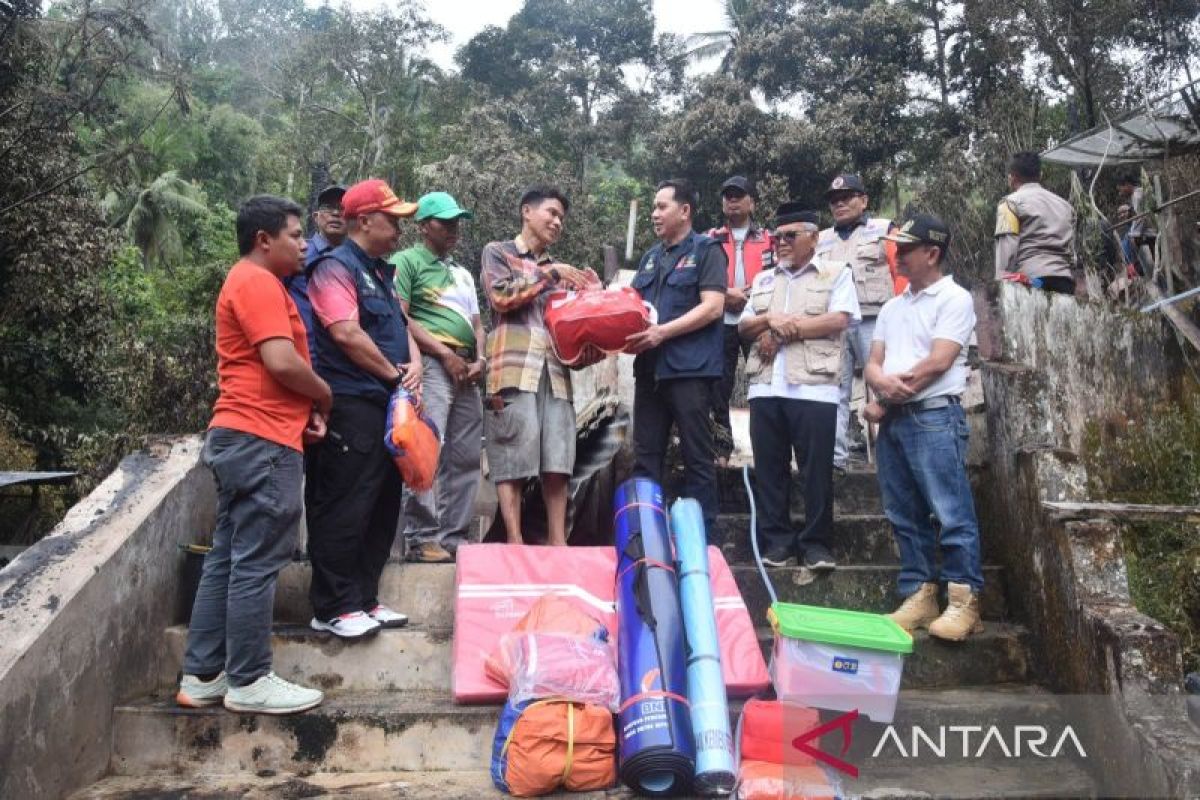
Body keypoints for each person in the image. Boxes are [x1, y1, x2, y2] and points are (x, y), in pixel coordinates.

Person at [177, 195, 332, 714]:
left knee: (227, 557)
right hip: (261, 439)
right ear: (264, 240)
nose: (304, 242)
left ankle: (203, 675)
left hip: (242, 434)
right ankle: (248, 680)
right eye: (294, 234)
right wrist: (323, 394)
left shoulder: (249, 281)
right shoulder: (259, 281)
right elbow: (281, 361)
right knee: (257, 562)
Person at [305, 178, 422, 639]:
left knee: (381, 502)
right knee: (344, 502)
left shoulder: (380, 272)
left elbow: (403, 324)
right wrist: (395, 375)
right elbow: (346, 333)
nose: (398, 228)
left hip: (389, 406)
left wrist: (413, 368)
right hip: (352, 402)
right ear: (364, 220)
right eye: (392, 219)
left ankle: (364, 596)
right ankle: (332, 605)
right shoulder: (334, 268)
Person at [863, 213, 983, 641]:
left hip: (933, 415)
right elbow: (873, 361)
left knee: (950, 511)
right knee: (903, 512)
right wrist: (879, 390)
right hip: (895, 419)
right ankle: (919, 593)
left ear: (932, 253)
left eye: (907, 249)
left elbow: (939, 361)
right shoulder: (894, 306)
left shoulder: (955, 298)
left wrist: (886, 395)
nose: (897, 256)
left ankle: (964, 600)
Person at [738, 203, 859, 570]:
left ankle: (817, 545)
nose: (781, 243)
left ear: (813, 237)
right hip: (765, 386)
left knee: (816, 471)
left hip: (814, 387)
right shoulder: (764, 279)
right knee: (770, 469)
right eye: (777, 237)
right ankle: (778, 543)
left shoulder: (836, 273)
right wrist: (768, 319)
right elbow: (744, 327)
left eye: (790, 236)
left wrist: (779, 329)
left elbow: (839, 319)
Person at [481, 186, 596, 546]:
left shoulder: (561, 274)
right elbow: (501, 297)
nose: (557, 222)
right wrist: (551, 275)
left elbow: (570, 333)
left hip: (556, 375)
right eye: (551, 213)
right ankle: (514, 542)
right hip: (513, 372)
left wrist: (589, 348)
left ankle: (557, 543)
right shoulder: (498, 252)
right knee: (512, 454)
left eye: (561, 217)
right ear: (526, 212)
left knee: (558, 460)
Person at [627, 179, 727, 530]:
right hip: (650, 373)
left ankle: (702, 545)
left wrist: (662, 333)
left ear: (684, 211)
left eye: (662, 206)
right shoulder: (650, 258)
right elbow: (633, 309)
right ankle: (646, 541)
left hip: (690, 372)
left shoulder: (707, 250)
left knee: (697, 459)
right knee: (645, 459)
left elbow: (713, 307)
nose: (654, 214)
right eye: (653, 207)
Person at [391, 191, 485, 563]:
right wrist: (444, 354)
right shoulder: (407, 261)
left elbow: (478, 324)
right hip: (431, 364)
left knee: (464, 455)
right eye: (445, 222)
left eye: (456, 222)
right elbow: (400, 316)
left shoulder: (461, 272)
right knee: (425, 448)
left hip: (466, 369)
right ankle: (421, 536)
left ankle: (453, 535)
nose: (453, 230)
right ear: (424, 226)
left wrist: (481, 358)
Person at [816, 174, 903, 472]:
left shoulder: (884, 229)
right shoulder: (821, 239)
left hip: (875, 321)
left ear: (863, 200)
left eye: (848, 197)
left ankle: (893, 460)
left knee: (886, 389)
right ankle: (835, 463)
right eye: (834, 200)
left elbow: (901, 273)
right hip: (834, 326)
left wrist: (906, 317)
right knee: (833, 391)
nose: (840, 203)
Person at [706, 176, 775, 466]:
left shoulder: (768, 238)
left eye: (738, 195)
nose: (732, 201)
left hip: (757, 320)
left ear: (752, 202)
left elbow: (776, 279)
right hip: (720, 320)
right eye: (727, 196)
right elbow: (702, 279)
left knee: (761, 385)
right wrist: (725, 293)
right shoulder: (711, 239)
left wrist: (749, 299)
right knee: (718, 387)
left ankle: (766, 450)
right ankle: (721, 449)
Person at [994, 152, 1076, 295]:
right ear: (1040, 175)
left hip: (1031, 281)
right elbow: (1072, 251)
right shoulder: (1066, 207)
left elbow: (1007, 248)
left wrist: (1001, 280)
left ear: (1012, 177)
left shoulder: (1009, 204)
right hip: (1065, 281)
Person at [284, 184, 346, 360]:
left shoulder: (357, 259)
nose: (335, 213)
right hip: (305, 354)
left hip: (345, 361)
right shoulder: (298, 252)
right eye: (328, 208)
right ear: (316, 217)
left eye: (342, 208)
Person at [1117, 173, 1156, 275]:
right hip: (1149, 231)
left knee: (1128, 241)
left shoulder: (1137, 195)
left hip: (1150, 232)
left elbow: (1140, 217)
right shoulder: (1136, 195)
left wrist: (1134, 234)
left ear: (1127, 185)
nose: (1120, 193)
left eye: (1121, 189)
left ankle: (1134, 269)